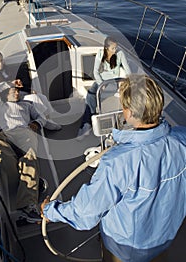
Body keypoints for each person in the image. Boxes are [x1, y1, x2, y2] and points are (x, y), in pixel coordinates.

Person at [41, 74, 186, 261]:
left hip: (126, 249)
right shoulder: (182, 138)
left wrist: (50, 211)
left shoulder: (117, 161)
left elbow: (86, 212)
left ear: (129, 113)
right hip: (163, 239)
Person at [0, 81, 58, 222]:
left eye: (18, 91)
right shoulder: (0, 104)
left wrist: (36, 123)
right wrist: (11, 83)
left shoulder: (26, 105)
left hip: (25, 131)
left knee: (30, 156)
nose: (17, 93)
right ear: (7, 94)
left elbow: (41, 117)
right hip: (7, 134)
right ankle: (22, 181)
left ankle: (28, 205)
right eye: (14, 91)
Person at [78, 37, 131, 138]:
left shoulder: (120, 54)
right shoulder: (100, 53)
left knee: (92, 98)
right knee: (90, 96)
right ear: (106, 48)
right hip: (101, 81)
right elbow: (95, 72)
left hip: (114, 81)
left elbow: (128, 71)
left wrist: (126, 83)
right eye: (113, 48)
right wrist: (101, 83)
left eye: (116, 48)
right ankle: (89, 122)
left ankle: (87, 123)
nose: (115, 50)